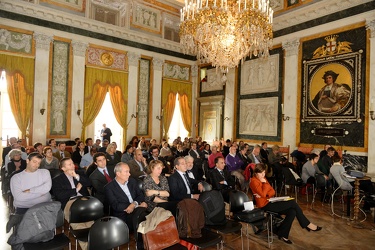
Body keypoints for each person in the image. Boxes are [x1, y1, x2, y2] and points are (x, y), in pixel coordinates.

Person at [250, 163, 322, 244]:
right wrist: (264, 186)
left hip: (270, 201)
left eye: (264, 172)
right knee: (292, 202)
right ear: (256, 173)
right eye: (261, 173)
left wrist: (265, 193)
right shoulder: (254, 181)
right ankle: (307, 224)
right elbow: (263, 193)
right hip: (264, 205)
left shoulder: (263, 179)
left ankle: (283, 234)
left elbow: (272, 192)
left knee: (292, 212)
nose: (263, 174)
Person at [104, 162, 147, 249]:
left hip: (136, 209)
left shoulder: (132, 181)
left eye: (129, 171)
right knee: (142, 215)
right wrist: (134, 206)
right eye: (126, 172)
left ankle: (144, 242)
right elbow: (116, 206)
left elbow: (141, 195)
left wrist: (134, 204)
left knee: (141, 214)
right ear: (118, 174)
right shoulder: (109, 187)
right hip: (123, 214)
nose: (129, 174)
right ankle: (142, 244)